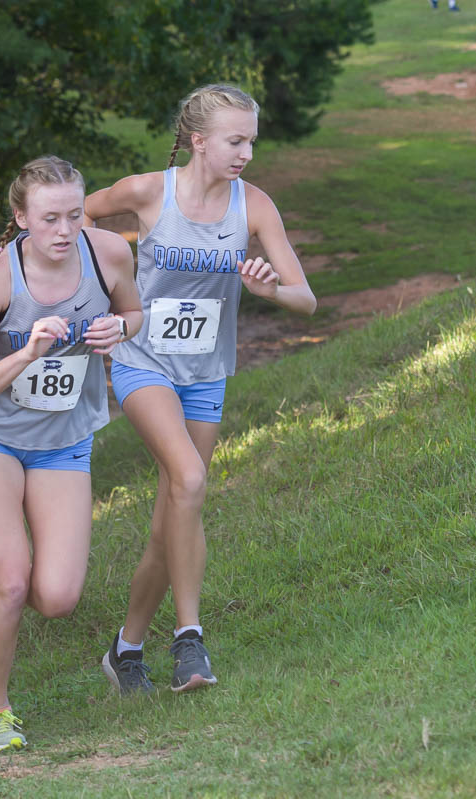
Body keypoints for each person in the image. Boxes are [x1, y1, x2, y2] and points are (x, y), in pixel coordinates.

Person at [85, 84, 316, 698]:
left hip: (206, 372)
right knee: (188, 481)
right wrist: (103, 285)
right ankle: (190, 637)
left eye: (251, 142)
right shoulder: (148, 191)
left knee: (174, 516)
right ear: (199, 141)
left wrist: (268, 289)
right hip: (143, 362)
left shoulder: (254, 206)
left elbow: (306, 298)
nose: (246, 153)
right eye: (235, 141)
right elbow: (76, 216)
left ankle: (125, 650)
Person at [0, 156, 143, 754]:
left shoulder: (108, 254)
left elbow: (133, 312)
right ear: (21, 218)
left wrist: (123, 329)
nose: (64, 230)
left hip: (64, 439)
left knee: (57, 597)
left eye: (74, 214)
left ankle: (1, 574)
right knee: (14, 580)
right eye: (49, 217)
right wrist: (26, 354)